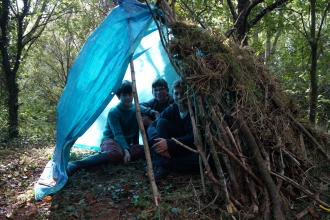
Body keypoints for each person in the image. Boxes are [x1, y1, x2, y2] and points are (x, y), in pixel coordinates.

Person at [66, 80, 144, 176]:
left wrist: (134, 146)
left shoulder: (135, 110)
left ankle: (117, 154)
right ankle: (76, 164)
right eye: (124, 95)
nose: (128, 98)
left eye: (130, 94)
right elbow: (118, 134)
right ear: (119, 96)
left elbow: (135, 132)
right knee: (117, 153)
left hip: (125, 144)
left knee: (144, 149)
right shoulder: (114, 112)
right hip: (110, 140)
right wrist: (126, 150)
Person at [147, 79, 200, 182]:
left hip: (190, 150)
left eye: (183, 93)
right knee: (161, 122)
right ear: (172, 94)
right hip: (172, 150)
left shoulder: (196, 112)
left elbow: (193, 137)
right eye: (176, 93)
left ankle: (166, 163)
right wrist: (158, 142)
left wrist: (169, 143)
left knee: (206, 157)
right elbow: (152, 126)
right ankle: (162, 166)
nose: (180, 97)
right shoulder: (172, 109)